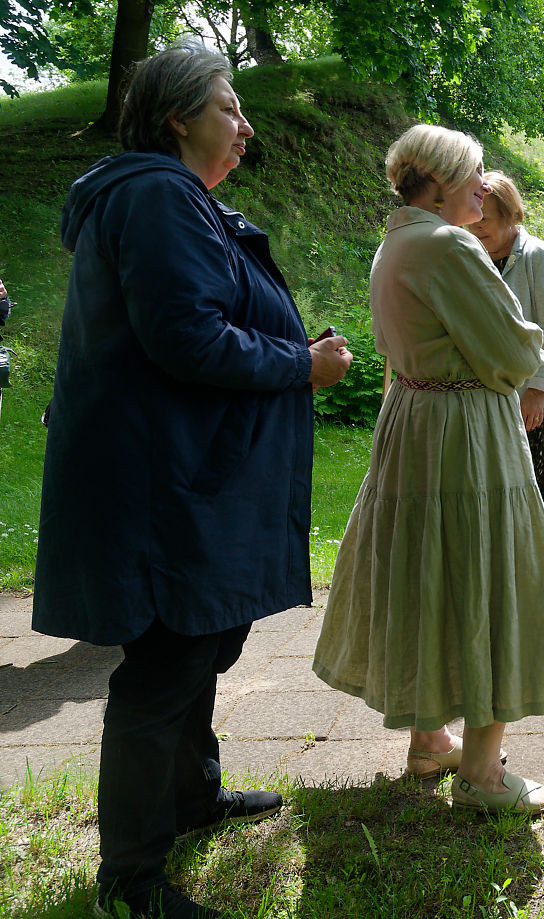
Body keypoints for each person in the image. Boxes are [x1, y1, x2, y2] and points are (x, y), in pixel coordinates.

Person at [31, 46, 351, 919]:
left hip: (180, 477)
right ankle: (130, 884)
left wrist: (288, 350)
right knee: (167, 664)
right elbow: (187, 338)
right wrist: (302, 363)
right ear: (177, 117)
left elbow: (185, 324)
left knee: (205, 641)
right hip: (163, 488)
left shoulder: (166, 197)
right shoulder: (157, 195)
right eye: (228, 107)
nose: (245, 126)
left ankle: (189, 797)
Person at [313, 125, 544, 813]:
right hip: (465, 429)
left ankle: (430, 740)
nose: (484, 185)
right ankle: (482, 773)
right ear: (444, 178)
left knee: (428, 570)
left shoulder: (396, 240)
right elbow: (514, 353)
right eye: (475, 172)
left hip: (414, 419)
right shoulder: (448, 244)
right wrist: (523, 344)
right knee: (491, 574)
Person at [467, 171, 544, 513]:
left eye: (486, 220)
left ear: (512, 216)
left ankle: (533, 550)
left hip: (529, 395)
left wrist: (538, 391)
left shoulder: (539, 256)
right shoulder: (470, 255)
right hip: (482, 389)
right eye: (473, 219)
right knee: (487, 487)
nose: (477, 227)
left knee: (529, 491)